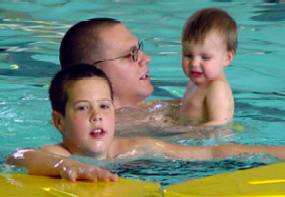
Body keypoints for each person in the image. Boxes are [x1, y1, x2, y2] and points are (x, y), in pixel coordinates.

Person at [7, 64, 285, 182]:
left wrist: (276, 153)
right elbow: (19, 156)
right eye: (82, 108)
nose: (97, 115)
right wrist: (66, 166)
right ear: (59, 122)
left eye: (104, 106)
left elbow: (211, 153)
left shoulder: (135, 147)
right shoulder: (60, 154)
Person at [179, 8, 237, 127]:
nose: (194, 63)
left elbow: (219, 125)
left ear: (227, 58)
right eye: (188, 55)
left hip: (199, 142)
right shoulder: (195, 82)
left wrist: (181, 134)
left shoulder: (217, 88)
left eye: (205, 57)